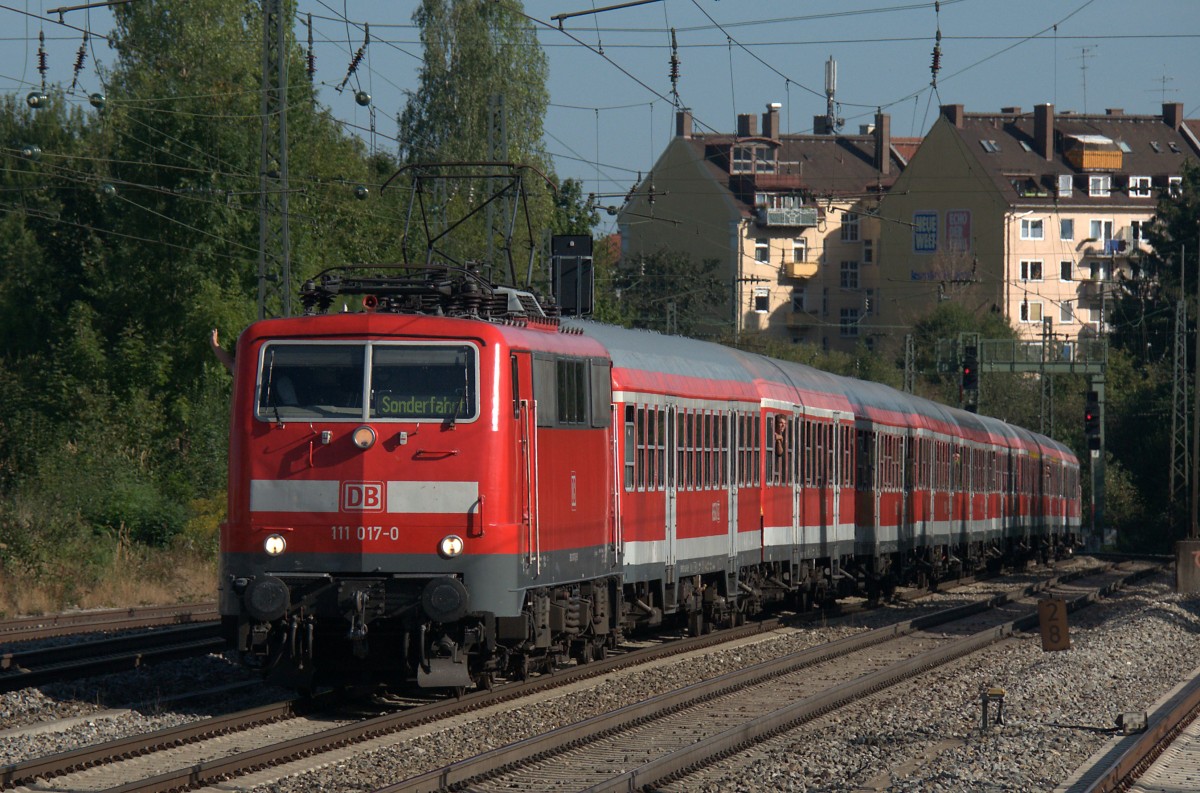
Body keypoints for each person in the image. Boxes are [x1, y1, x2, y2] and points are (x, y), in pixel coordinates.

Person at [773, 415, 788, 482]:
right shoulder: (775, 434)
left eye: (784, 424)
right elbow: (780, 452)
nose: (783, 425)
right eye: (781, 423)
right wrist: (780, 438)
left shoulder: (782, 435)